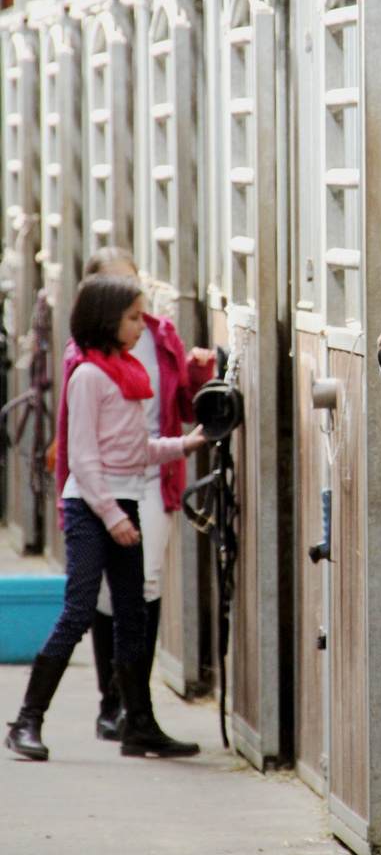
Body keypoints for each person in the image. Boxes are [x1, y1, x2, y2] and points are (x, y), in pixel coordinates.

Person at [6, 274, 207, 761]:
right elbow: (84, 459)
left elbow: (136, 451)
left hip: (123, 503)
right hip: (90, 508)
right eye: (134, 317)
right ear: (106, 320)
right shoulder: (88, 377)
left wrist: (186, 443)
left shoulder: (126, 372)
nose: (143, 325)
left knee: (132, 615)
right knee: (78, 612)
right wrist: (112, 515)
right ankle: (26, 721)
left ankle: (139, 725)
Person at [55, 247, 214, 739]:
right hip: (105, 478)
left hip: (151, 466)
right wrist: (86, 496)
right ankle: (112, 704)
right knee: (102, 596)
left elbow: (184, 405)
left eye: (136, 287)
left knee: (145, 585)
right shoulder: (83, 358)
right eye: (122, 291)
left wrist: (199, 373)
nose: (137, 309)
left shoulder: (159, 334)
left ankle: (136, 708)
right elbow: (76, 434)